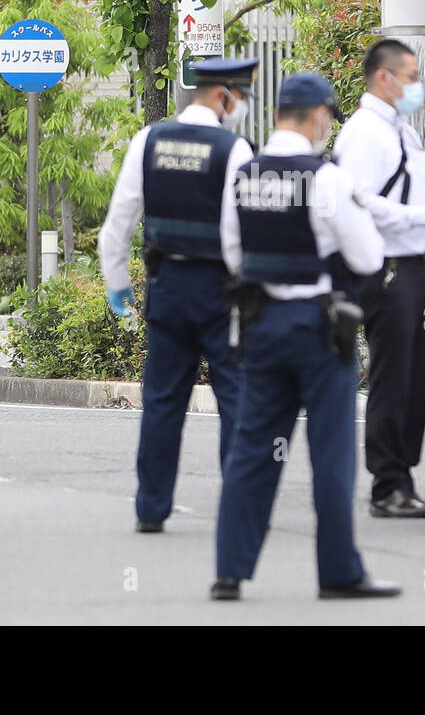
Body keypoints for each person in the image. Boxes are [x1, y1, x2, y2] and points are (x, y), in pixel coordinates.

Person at [213, 73, 399, 600]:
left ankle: (230, 570)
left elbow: (232, 253)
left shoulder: (243, 175)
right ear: (320, 116)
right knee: (331, 452)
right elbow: (368, 258)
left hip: (262, 327)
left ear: (276, 116)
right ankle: (339, 571)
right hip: (319, 330)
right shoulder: (327, 178)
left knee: (252, 448)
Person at [97, 57, 256, 533]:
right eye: (241, 98)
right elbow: (236, 236)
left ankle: (151, 508)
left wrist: (120, 291)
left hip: (165, 290)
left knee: (163, 400)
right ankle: (239, 504)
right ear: (224, 96)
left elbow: (116, 227)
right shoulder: (235, 151)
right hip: (219, 294)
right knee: (234, 398)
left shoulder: (150, 140)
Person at [332, 38, 425, 518]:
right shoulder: (364, 133)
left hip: (412, 264)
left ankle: (401, 478)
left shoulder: (401, 130)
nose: (417, 86)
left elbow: (414, 193)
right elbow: (361, 202)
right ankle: (387, 483)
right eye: (410, 77)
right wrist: (424, 215)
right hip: (385, 266)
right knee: (393, 375)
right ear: (384, 77)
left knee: (415, 375)